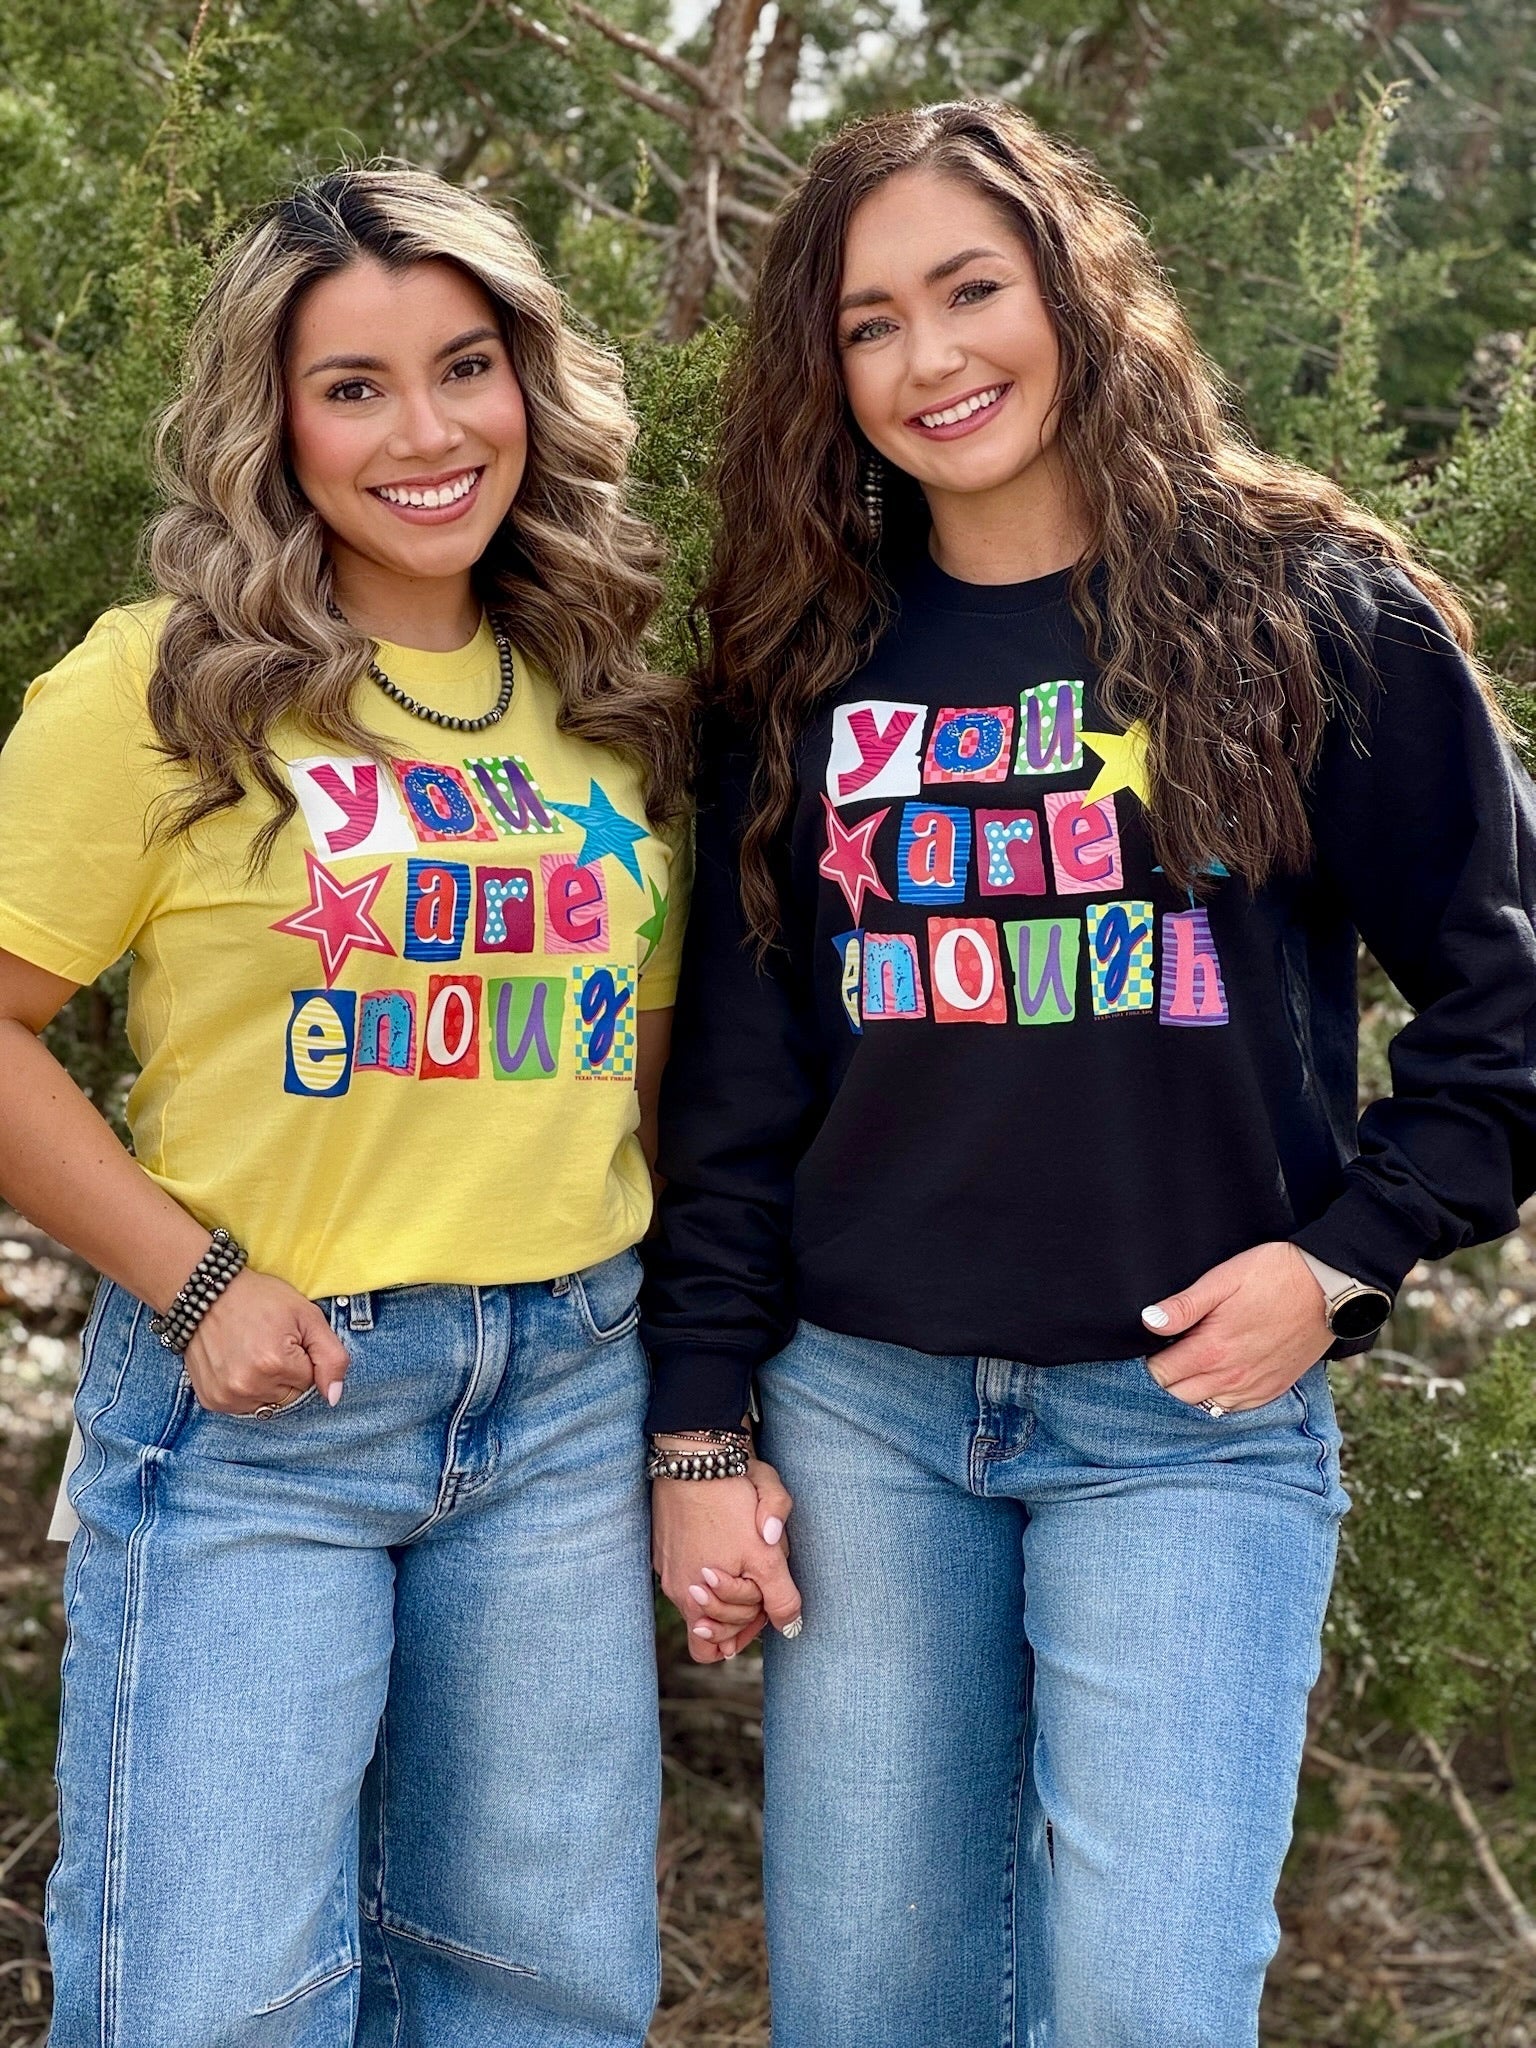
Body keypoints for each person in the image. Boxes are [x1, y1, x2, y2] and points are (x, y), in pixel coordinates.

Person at [641, 100, 1536, 2047]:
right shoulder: (807, 661)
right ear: (828, 366)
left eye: (972, 290)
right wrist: (701, 1428)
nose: (933, 358)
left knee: (1147, 2004)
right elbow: (734, 1082)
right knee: (878, 2007)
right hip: (864, 1414)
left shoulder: (1310, 610)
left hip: (1187, 1431)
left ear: (1077, 290)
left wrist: (1345, 1257)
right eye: (871, 322)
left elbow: (1502, 1014)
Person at [0, 165, 695, 2048]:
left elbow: (628, 1067)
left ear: (531, 388)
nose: (426, 431)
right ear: (273, 420)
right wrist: (191, 1279)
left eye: (464, 367)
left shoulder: (607, 698)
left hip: (563, 1395)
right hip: (263, 1404)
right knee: (212, 2000)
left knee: (541, 1996)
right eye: (355, 386)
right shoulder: (162, 689)